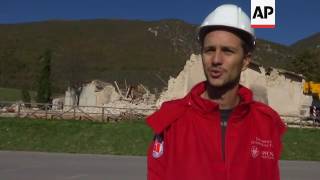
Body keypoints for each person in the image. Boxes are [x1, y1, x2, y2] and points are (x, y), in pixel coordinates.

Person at [146, 4, 286, 180]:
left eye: (228, 51)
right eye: (209, 50)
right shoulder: (171, 120)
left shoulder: (267, 123)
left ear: (245, 61)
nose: (216, 60)